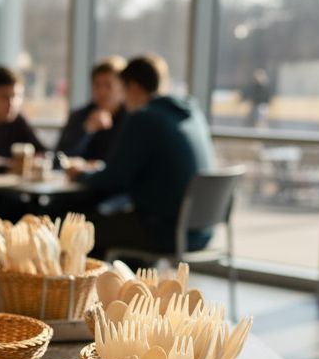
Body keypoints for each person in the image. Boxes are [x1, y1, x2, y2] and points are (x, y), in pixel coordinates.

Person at [66, 55, 214, 258]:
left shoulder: (145, 118)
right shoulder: (190, 113)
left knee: (84, 228)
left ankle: (102, 288)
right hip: (202, 230)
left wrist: (80, 174)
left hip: (166, 230)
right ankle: (135, 285)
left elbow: (114, 177)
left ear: (133, 87)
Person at [55, 56, 127, 164]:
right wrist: (87, 130)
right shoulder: (78, 116)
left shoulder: (130, 119)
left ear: (122, 88)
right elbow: (59, 158)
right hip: (78, 179)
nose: (101, 91)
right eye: (97, 85)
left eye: (108, 85)